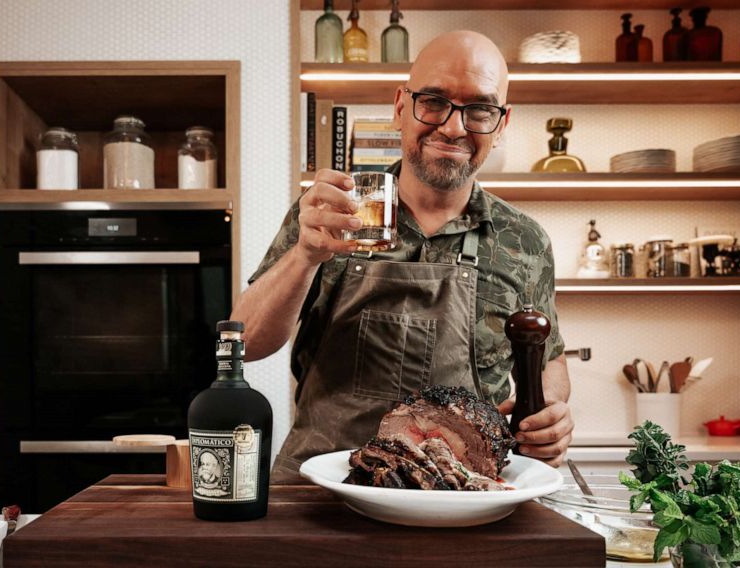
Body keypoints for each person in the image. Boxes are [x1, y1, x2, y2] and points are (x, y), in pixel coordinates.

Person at [232, 30, 573, 483]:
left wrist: (551, 412)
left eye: (479, 109)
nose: (453, 127)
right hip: (323, 496)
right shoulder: (335, 211)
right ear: (399, 106)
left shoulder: (523, 240)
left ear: (502, 122)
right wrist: (304, 255)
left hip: (463, 497)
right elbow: (245, 344)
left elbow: (548, 357)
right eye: (433, 100)